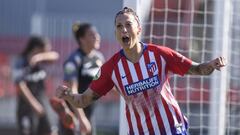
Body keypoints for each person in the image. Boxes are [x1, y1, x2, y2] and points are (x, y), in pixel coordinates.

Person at [55, 7, 227, 135]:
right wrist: (68, 95)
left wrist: (210, 65)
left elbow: (196, 69)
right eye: (119, 26)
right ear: (115, 33)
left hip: (173, 130)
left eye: (128, 25)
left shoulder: (159, 54)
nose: (123, 29)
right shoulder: (111, 68)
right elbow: (84, 99)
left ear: (139, 29)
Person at [50, 22, 104, 135]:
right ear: (82, 39)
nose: (97, 37)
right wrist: (81, 118)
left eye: (97, 34)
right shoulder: (74, 60)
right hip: (75, 113)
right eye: (92, 35)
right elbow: (72, 90)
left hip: (90, 112)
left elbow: (106, 83)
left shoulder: (99, 58)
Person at [13, 36, 59, 135]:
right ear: (37, 48)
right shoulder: (20, 62)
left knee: (51, 131)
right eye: (47, 47)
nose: (49, 50)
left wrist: (38, 57)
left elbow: (55, 56)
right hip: (27, 106)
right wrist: (34, 104)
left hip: (43, 103)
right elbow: (20, 86)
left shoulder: (41, 60)